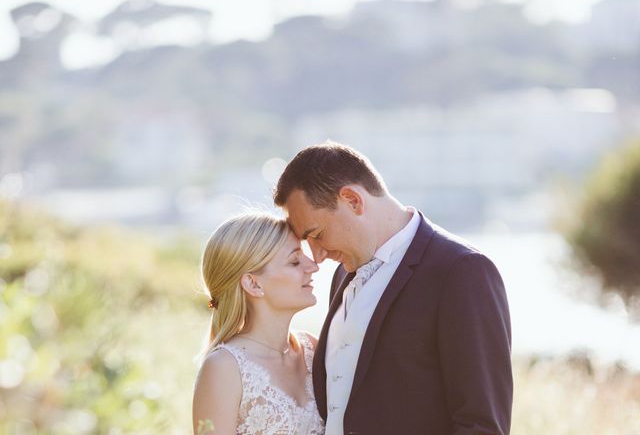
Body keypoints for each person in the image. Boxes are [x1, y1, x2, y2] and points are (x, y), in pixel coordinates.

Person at [274, 141, 513, 435]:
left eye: (318, 235)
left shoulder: (462, 271)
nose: (318, 255)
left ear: (352, 200)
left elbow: (482, 424)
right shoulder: (342, 275)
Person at [192, 212, 326, 435]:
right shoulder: (224, 368)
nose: (313, 266)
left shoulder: (313, 349)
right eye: (294, 261)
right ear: (253, 284)